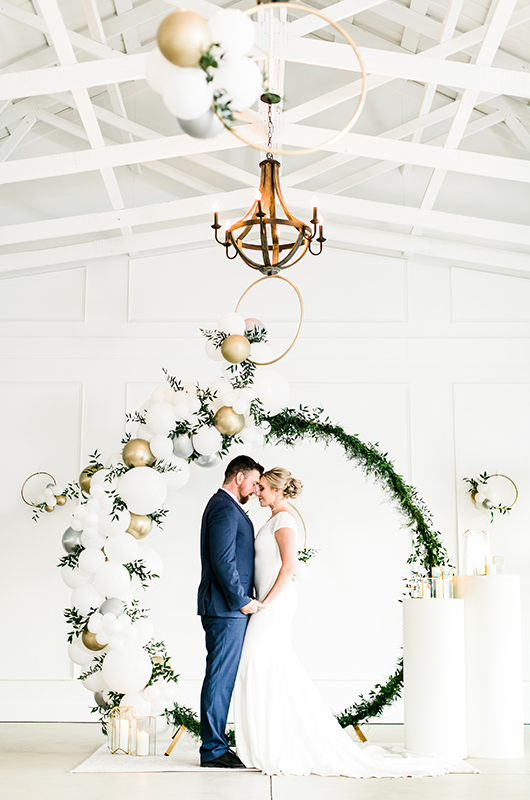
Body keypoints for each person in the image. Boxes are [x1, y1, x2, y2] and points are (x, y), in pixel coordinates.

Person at [233, 467, 469, 778]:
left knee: (260, 660)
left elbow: (289, 566)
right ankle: (267, 740)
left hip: (275, 604)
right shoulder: (273, 517)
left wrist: (266, 602)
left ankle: (278, 742)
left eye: (262, 487)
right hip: (269, 602)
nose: (257, 492)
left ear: (276, 490)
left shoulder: (284, 520)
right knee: (265, 663)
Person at [197, 454, 265, 769]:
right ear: (238, 477)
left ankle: (217, 744)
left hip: (228, 608)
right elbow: (223, 560)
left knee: (223, 677)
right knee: (220, 677)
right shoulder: (224, 507)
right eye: (253, 482)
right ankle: (213, 750)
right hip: (226, 608)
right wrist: (241, 599)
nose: (254, 490)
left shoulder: (228, 507)